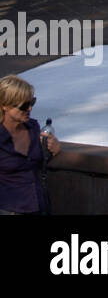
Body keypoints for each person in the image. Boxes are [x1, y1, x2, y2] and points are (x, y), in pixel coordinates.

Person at [0, 75, 59, 214]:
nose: (30, 109)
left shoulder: (33, 128)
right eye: (24, 105)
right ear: (4, 106)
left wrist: (55, 149)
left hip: (38, 205)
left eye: (32, 102)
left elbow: (39, 162)